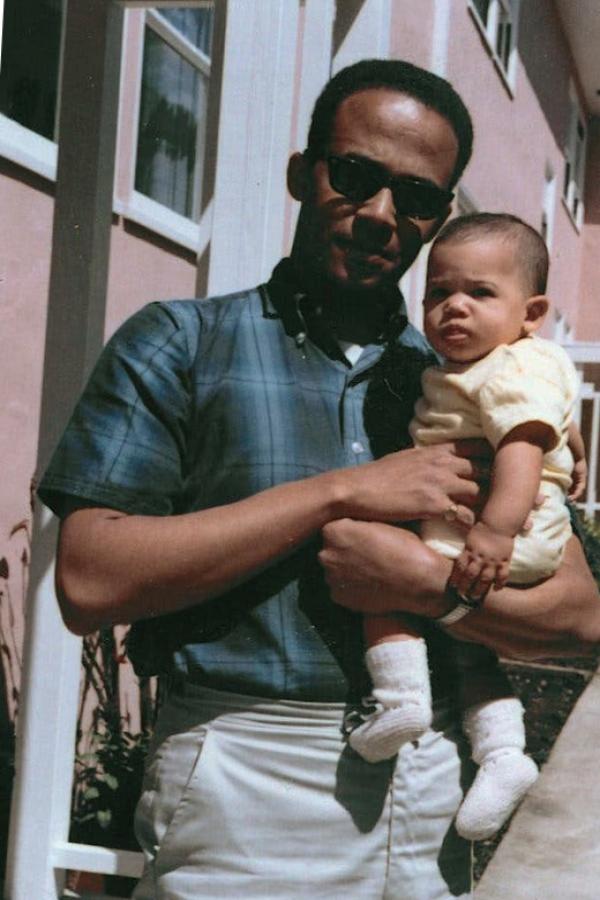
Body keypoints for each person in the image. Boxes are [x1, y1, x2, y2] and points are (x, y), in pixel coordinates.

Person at [38, 60, 600, 900]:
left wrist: (433, 589)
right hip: (242, 777)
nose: (379, 214)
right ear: (305, 174)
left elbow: (583, 619)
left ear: (438, 217)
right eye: (356, 176)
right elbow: (87, 579)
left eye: (413, 197)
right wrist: (338, 495)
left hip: (430, 783)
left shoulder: (474, 388)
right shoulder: (182, 344)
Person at [348, 212, 587, 842]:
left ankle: (399, 699)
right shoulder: (537, 362)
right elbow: (555, 422)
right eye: (438, 293)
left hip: (499, 521)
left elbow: (521, 451)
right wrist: (579, 449)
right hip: (517, 523)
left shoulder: (502, 369)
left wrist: (494, 535)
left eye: (479, 294)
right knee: (469, 647)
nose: (453, 308)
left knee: (375, 569)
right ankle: (505, 754)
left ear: (530, 312)